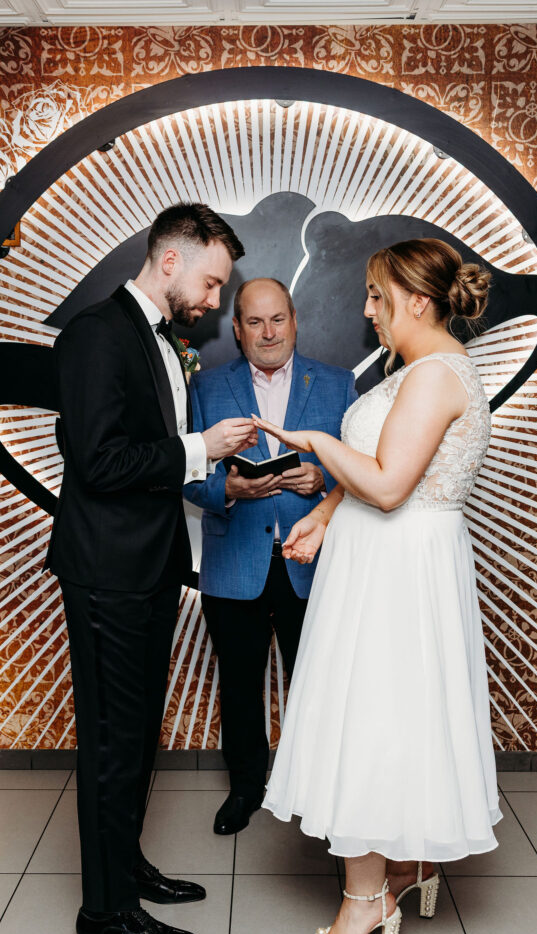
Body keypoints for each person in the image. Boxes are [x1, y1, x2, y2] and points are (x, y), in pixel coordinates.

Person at [255, 239, 503, 934]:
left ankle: (363, 903)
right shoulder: (416, 372)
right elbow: (375, 475)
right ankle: (403, 869)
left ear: (415, 300)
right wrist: (323, 516)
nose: (365, 311)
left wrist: (312, 441)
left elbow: (392, 485)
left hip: (398, 570)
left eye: (375, 295)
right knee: (385, 718)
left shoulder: (433, 376)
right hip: (381, 562)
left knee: (370, 722)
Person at [45, 203, 257, 934]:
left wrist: (193, 454)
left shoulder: (162, 338)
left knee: (135, 736)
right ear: (170, 261)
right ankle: (103, 914)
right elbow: (98, 465)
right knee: (112, 742)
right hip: (107, 572)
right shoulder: (98, 334)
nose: (213, 301)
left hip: (147, 566)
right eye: (209, 282)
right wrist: (198, 448)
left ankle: (123, 868)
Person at [184, 278, 358, 835]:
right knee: (238, 685)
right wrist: (227, 490)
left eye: (277, 319)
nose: (267, 332)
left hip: (313, 564)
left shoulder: (337, 384)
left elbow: (363, 469)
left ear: (295, 320)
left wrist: (322, 476)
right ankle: (245, 789)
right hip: (234, 561)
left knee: (321, 683)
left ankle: (321, 791)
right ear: (236, 330)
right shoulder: (207, 388)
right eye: (254, 322)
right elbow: (188, 472)